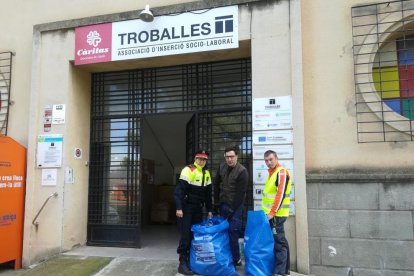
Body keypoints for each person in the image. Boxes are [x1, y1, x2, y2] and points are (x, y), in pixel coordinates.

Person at [174, 150, 213, 275]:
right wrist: (179, 207)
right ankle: (182, 263)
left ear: (206, 161)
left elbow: (208, 194)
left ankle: (192, 261)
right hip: (186, 208)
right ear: (195, 159)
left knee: (196, 235)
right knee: (185, 235)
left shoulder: (206, 173)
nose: (201, 161)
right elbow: (179, 191)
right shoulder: (188, 170)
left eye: (204, 159)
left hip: (198, 209)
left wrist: (210, 210)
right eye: (199, 158)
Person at [213, 146, 248, 267]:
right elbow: (216, 184)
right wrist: (216, 203)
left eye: (232, 156)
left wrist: (232, 209)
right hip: (223, 204)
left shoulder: (242, 171)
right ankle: (225, 257)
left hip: (236, 207)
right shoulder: (221, 167)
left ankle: (236, 259)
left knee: (233, 231)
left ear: (236, 156)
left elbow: (241, 193)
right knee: (223, 231)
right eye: (227, 157)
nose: (229, 159)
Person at [262, 150, 291, 276]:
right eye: (266, 160)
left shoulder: (281, 172)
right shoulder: (272, 173)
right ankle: (284, 270)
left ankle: (280, 273)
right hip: (272, 215)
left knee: (279, 244)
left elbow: (280, 194)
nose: (268, 162)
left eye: (271, 159)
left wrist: (272, 212)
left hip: (276, 215)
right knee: (280, 242)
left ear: (276, 158)